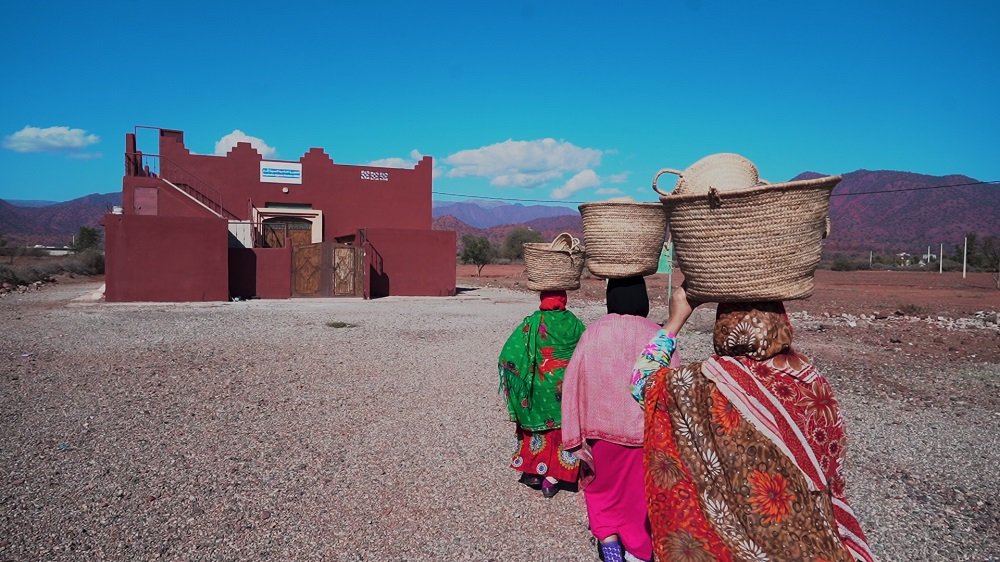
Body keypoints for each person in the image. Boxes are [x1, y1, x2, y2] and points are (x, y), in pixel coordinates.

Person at [631, 284, 875, 562]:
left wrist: (675, 320)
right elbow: (832, 463)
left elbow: (643, 383)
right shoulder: (810, 379)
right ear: (780, 321)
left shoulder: (704, 383)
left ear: (724, 326)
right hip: (814, 538)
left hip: (740, 546)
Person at [561, 277, 672, 562]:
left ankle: (609, 542)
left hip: (601, 434)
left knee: (601, 489)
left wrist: (575, 427)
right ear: (644, 301)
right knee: (637, 497)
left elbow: (574, 378)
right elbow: (673, 385)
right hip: (643, 434)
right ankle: (637, 551)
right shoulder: (658, 335)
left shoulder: (595, 332)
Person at [499, 289, 585, 498]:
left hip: (538, 387)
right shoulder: (574, 322)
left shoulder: (533, 322)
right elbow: (585, 349)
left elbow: (509, 354)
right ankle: (554, 478)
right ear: (564, 299)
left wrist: (517, 375)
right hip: (565, 387)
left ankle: (533, 471)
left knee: (536, 427)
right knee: (561, 430)